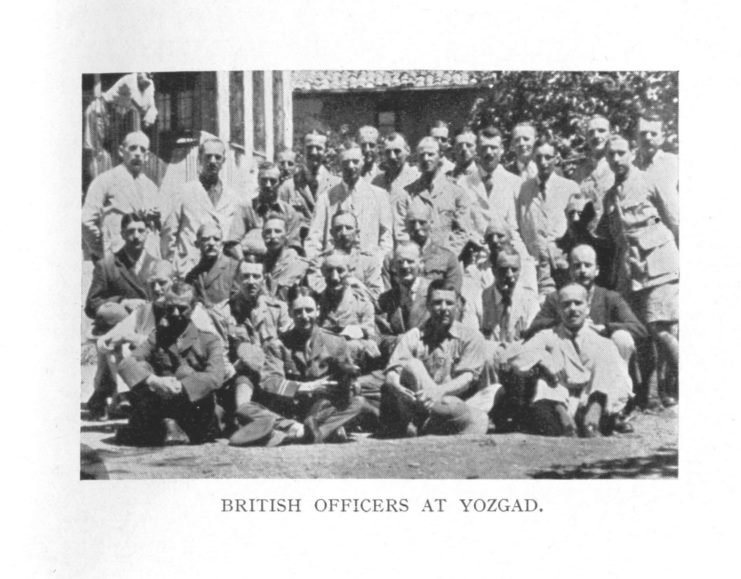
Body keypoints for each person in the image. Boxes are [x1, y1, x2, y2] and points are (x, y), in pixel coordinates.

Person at [228, 288, 366, 446]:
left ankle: (310, 432)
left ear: (318, 311)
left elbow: (347, 382)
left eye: (309, 310)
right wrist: (305, 387)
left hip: (320, 411)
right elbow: (270, 381)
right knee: (245, 408)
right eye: (298, 311)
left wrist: (349, 383)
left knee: (358, 401)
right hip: (289, 411)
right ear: (290, 313)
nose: (304, 316)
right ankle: (302, 430)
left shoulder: (336, 342)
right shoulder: (278, 345)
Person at [599, 134, 679, 407]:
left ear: (632, 153)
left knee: (661, 328)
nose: (616, 159)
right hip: (631, 272)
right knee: (642, 335)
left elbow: (675, 219)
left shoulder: (650, 181)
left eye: (621, 152)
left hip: (659, 263)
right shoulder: (610, 196)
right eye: (611, 154)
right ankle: (650, 395)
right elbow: (609, 237)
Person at [509, 283, 633, 437]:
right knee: (544, 365)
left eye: (578, 303)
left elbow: (619, 383)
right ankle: (565, 421)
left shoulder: (601, 341)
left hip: (589, 400)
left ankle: (593, 418)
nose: (573, 309)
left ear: (587, 308)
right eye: (566, 305)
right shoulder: (549, 335)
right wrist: (544, 361)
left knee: (607, 352)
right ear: (559, 310)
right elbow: (518, 358)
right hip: (557, 402)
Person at [379, 279, 494, 437]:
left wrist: (437, 392)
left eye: (449, 303)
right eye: (437, 303)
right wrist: (394, 383)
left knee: (478, 398)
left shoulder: (471, 337)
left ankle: (440, 424)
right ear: (427, 305)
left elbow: (467, 377)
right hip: (421, 407)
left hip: (454, 402)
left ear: (458, 305)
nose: (444, 308)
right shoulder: (414, 336)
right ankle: (429, 424)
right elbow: (393, 371)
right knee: (413, 366)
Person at [116, 281, 226, 446]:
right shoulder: (157, 336)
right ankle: (160, 426)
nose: (175, 313)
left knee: (185, 372)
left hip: (194, 411)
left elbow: (215, 377)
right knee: (142, 368)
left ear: (194, 307)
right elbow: (127, 363)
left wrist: (181, 387)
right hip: (161, 403)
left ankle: (166, 428)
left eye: (182, 308)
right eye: (170, 308)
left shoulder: (209, 340)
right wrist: (154, 381)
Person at [160, 137, 242, 276]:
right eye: (208, 156)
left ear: (224, 161)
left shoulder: (232, 197)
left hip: (220, 272)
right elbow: (169, 233)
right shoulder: (184, 192)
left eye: (217, 157)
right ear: (199, 158)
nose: (212, 161)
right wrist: (173, 266)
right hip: (188, 270)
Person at [480, 246, 540, 432]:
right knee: (485, 355)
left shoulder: (530, 299)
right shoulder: (480, 298)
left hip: (518, 359)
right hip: (491, 361)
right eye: (503, 269)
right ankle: (490, 412)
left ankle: (519, 414)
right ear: (492, 270)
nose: (509, 275)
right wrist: (499, 351)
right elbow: (474, 336)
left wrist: (510, 353)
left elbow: (533, 336)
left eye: (514, 269)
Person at [82, 131, 161, 261]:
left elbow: (157, 227)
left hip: (146, 261)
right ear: (121, 151)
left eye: (142, 150)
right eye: (132, 148)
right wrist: (103, 252)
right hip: (117, 259)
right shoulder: (105, 181)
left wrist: (156, 218)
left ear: (147, 156)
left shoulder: (151, 187)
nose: (137, 153)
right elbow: (87, 221)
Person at [305, 145, 393, 259]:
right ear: (339, 165)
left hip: (369, 268)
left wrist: (375, 263)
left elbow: (386, 240)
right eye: (346, 162)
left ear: (362, 162)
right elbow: (313, 240)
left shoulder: (379, 196)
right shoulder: (325, 198)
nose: (351, 166)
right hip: (334, 269)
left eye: (355, 161)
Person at [393, 137, 473, 255]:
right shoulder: (407, 194)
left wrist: (445, 257)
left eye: (431, 154)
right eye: (422, 155)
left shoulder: (457, 193)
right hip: (416, 262)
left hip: (448, 261)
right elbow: (401, 232)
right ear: (417, 159)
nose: (426, 159)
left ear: (440, 156)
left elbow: (462, 231)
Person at [85, 211, 163, 320]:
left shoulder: (156, 264)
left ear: (147, 232)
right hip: (118, 328)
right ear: (123, 234)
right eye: (131, 231)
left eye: (141, 231)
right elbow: (92, 304)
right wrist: (123, 302)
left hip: (149, 325)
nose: (136, 236)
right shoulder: (107, 265)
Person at [516, 136, 580, 261]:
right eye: (539, 157)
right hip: (534, 262)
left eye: (548, 157)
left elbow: (578, 227)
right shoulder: (524, 189)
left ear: (556, 158)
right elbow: (520, 224)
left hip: (563, 260)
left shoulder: (570, 187)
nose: (543, 162)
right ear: (533, 158)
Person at [457, 127, 525, 246]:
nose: (488, 152)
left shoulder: (516, 183)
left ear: (502, 150)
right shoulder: (463, 184)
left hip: (509, 250)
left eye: (493, 147)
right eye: (484, 148)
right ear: (477, 150)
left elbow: (522, 226)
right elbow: (460, 223)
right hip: (475, 251)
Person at [306, 210, 384, 304]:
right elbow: (319, 293)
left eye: (348, 228)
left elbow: (377, 298)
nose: (343, 233)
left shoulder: (368, 262)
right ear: (332, 233)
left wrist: (358, 284)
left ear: (357, 232)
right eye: (338, 229)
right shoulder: (319, 262)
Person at [227, 161, 302, 259]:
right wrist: (245, 264)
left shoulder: (290, 213)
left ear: (280, 182)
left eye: (273, 181)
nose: (268, 185)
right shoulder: (246, 209)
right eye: (264, 180)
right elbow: (233, 243)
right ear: (258, 180)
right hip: (250, 264)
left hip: (279, 265)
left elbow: (293, 247)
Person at [278, 131, 340, 240]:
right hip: (297, 249)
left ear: (326, 151)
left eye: (319, 148)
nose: (314, 152)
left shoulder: (337, 185)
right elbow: (279, 221)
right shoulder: (288, 187)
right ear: (303, 151)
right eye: (309, 147)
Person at [184, 223, 241, 313]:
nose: (211, 243)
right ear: (197, 244)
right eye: (205, 239)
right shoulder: (192, 275)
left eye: (216, 239)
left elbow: (238, 302)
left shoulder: (235, 267)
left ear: (222, 244)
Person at [262, 215, 311, 302]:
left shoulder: (300, 265)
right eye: (268, 232)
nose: (273, 236)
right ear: (262, 235)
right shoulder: (258, 266)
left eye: (278, 231)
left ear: (287, 235)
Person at [634, 111, 678, 198]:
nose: (647, 138)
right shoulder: (628, 165)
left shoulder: (675, 163)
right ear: (636, 136)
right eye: (643, 133)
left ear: (662, 137)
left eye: (653, 134)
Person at [371, 132, 420, 199]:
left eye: (397, 151)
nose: (392, 157)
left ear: (408, 151)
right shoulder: (377, 182)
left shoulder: (417, 179)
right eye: (388, 152)